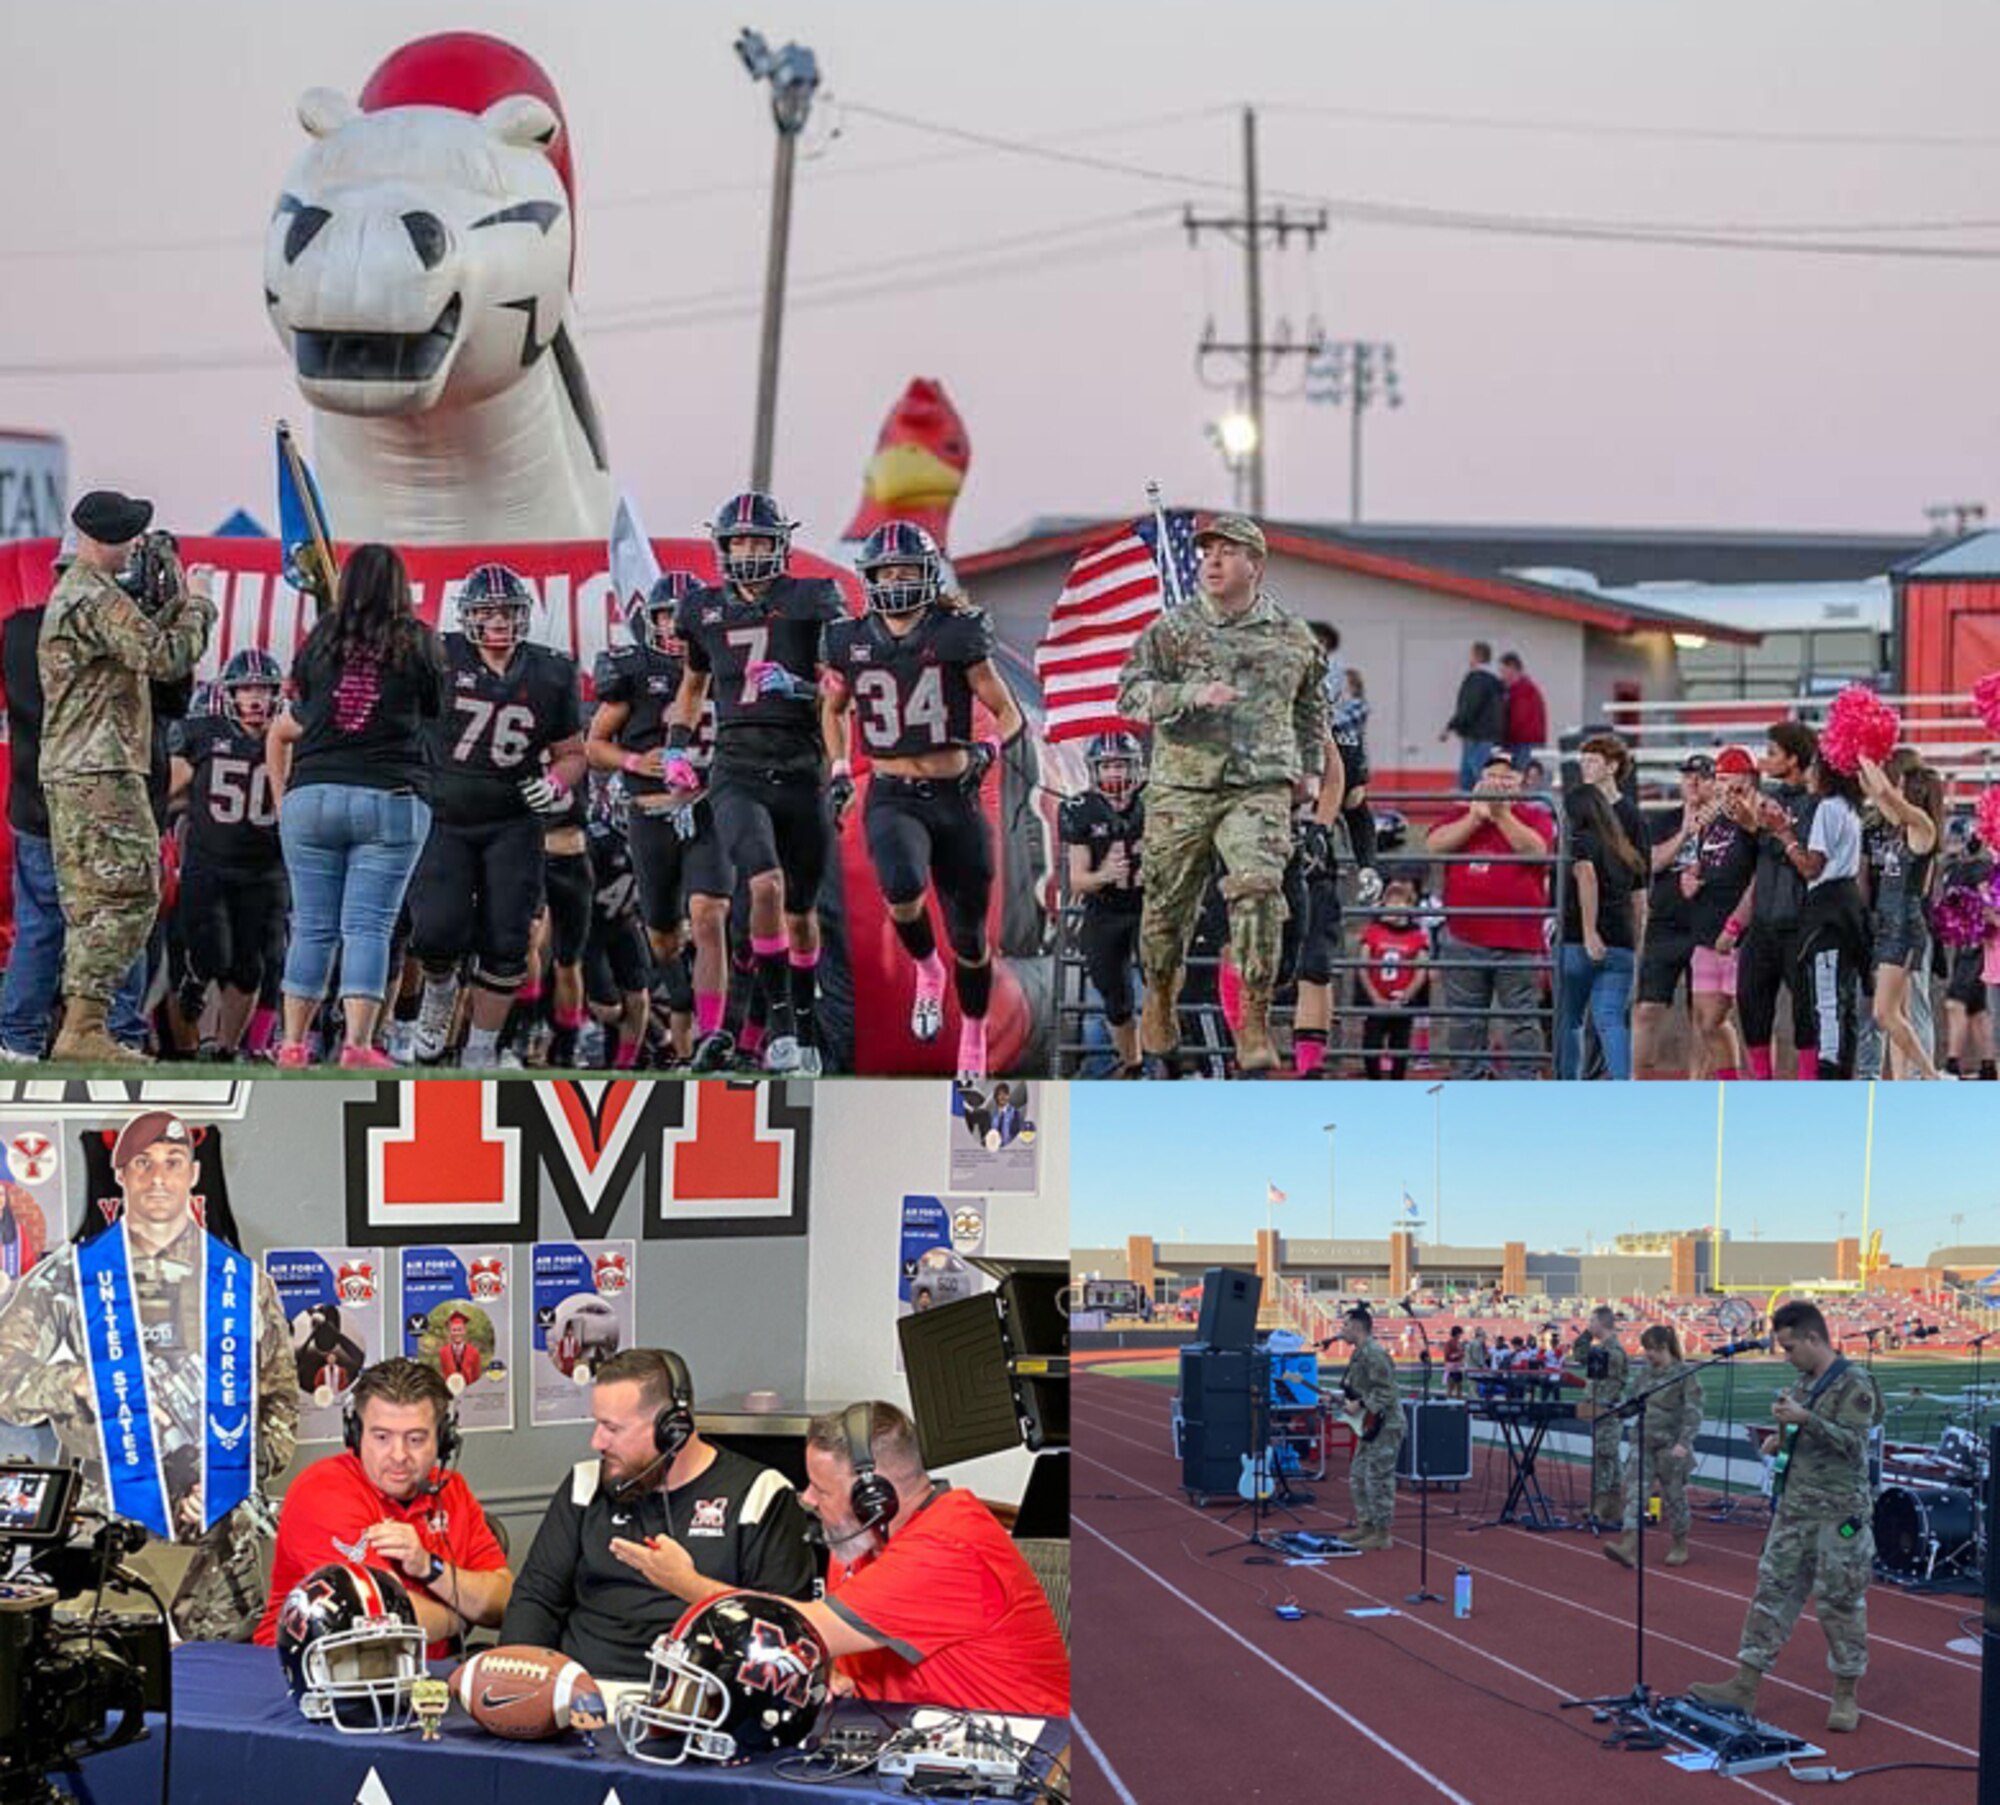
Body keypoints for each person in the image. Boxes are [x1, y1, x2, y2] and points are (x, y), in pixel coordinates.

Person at [0, 1110, 296, 1637]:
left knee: (224, 1698)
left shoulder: (244, 1283)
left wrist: (236, 1472)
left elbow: (278, 1404)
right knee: (107, 1698)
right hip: (108, 1546)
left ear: (193, 1174)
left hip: (220, 1555)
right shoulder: (65, 1278)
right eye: (143, 1164)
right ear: (122, 1176)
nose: (158, 1177)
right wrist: (71, 1380)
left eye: (173, 1162)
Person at [621, 1400, 1068, 1714]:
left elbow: (795, 1632)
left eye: (822, 1489)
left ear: (874, 1497)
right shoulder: (854, 1539)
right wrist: (837, 1673)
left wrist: (685, 1582)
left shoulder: (947, 1548)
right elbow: (835, 1647)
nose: (807, 1498)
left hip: (1025, 1763)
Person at [1116, 513, 1328, 1074]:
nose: (1212, 561)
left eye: (1227, 552)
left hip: (1258, 787)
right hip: (1183, 785)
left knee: (1259, 891)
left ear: (1254, 565)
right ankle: (1159, 998)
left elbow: (1311, 706)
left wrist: (1307, 768)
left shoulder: (1291, 634)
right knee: (1165, 914)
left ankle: (1254, 1022)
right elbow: (1130, 696)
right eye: (1207, 552)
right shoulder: (1172, 629)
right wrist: (1189, 694)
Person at [823, 522, 1028, 1077]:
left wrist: (986, 748)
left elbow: (1009, 712)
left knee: (971, 938)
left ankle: (975, 1035)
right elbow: (833, 707)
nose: (894, 582)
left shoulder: (958, 633)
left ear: (927, 575)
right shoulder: (849, 639)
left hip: (953, 794)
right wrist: (841, 766)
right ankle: (926, 971)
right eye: (885, 573)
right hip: (891, 794)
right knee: (902, 892)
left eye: (905, 572)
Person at [667, 493, 844, 1076]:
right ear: (721, 547)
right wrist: (674, 748)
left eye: (759, 542)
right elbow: (692, 687)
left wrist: (798, 688)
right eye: (738, 542)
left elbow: (844, 689)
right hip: (735, 769)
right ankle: (782, 1027)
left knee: (800, 912)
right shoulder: (702, 609)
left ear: (781, 546)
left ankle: (803, 1019)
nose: (748, 552)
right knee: (762, 885)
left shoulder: (810, 601)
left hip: (799, 769)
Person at [502, 1348, 814, 1679]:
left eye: (612, 1428)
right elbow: (536, 1599)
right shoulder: (586, 1485)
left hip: (700, 1703)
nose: (597, 1441)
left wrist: (687, 1584)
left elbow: (783, 1632)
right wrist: (518, 1682)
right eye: (597, 1424)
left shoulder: (760, 1495)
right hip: (583, 1694)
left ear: (672, 1429)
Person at [37, 491, 216, 1061]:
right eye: (131, 536)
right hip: (102, 769)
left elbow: (138, 648)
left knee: (95, 899)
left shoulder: (86, 596)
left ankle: (83, 1024)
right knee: (133, 889)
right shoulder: (94, 595)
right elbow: (167, 658)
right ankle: (83, 1025)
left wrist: (166, 606)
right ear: (102, 540)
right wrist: (200, 604)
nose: (138, 545)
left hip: (82, 768)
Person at [269, 543, 444, 1068]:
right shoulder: (418, 642)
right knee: (368, 925)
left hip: (311, 792)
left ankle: (294, 1043)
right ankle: (358, 1045)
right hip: (388, 794)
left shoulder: (321, 638)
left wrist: (285, 805)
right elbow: (433, 708)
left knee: (312, 925)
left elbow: (299, 707)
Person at [406, 563, 586, 1071]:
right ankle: (439, 991)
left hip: (513, 821)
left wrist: (555, 783)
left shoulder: (551, 672)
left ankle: (482, 1049)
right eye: (486, 612)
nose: (498, 622)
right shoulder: (439, 656)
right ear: (467, 616)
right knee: (435, 932)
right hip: (445, 817)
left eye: (507, 611)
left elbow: (573, 753)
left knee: (508, 942)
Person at [1689, 1301, 1883, 1733]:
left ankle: (1845, 1694)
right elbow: (1800, 1437)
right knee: (1771, 1595)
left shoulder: (1854, 1383)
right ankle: (1745, 1684)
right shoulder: (1801, 1385)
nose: (1786, 1355)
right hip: (1795, 1513)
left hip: (1840, 1519)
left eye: (1791, 1346)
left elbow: (1854, 1446)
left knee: (1840, 1603)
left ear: (1814, 1338)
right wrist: (1781, 1440)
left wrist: (1807, 1420)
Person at [256, 1358, 512, 1657]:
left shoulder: (451, 1489)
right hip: (314, 1674)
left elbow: (504, 1602)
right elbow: (380, 1617)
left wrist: (429, 1567)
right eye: (381, 1437)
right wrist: (460, 1616)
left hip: (423, 1677)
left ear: (443, 1440)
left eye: (415, 1439)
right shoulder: (323, 1490)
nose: (399, 1455)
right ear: (356, 1434)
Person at [0, 555, 151, 1060]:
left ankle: (17, 1040)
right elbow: (169, 689)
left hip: (32, 801)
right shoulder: (109, 633)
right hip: (97, 803)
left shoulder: (18, 630)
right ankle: (116, 1030)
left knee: (39, 926)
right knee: (117, 916)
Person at [587, 571, 716, 1062]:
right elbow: (594, 744)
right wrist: (635, 761)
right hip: (649, 812)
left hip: (709, 810)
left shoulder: (727, 663)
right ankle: (683, 1014)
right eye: (666, 615)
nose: (676, 624)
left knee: (711, 915)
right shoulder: (635, 669)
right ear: (651, 620)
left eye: (684, 614)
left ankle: (714, 1036)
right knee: (662, 935)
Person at [170, 651, 288, 1059]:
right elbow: (171, 787)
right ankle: (195, 978)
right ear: (229, 695)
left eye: (264, 690)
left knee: (251, 966)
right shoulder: (202, 732)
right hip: (210, 864)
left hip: (266, 870)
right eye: (245, 690)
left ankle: (225, 1049)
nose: (255, 700)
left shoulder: (291, 736)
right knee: (212, 952)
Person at [1428, 752, 1558, 1076]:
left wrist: (1501, 816)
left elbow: (1536, 852)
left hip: (1518, 939)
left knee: (1520, 1021)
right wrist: (1474, 818)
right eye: (1492, 776)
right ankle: (1469, 1082)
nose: (1499, 783)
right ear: (1479, 780)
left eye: (1507, 777)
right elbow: (1434, 845)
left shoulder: (1535, 815)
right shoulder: (1460, 814)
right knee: (1465, 1021)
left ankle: (1522, 1084)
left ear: (1521, 782)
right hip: (1463, 936)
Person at [1634, 750, 1758, 1081]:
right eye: (1687, 775)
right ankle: (1646, 1083)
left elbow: (1749, 846)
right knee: (1672, 1013)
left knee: (1718, 1016)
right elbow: (1653, 863)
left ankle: (1712, 1083)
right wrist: (1687, 845)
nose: (1693, 782)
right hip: (1678, 925)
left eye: (1704, 776)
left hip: (1717, 924)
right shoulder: (1670, 821)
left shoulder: (1732, 818)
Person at [1723, 721, 1821, 1080]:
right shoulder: (1770, 799)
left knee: (1805, 1011)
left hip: (1800, 922)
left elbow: (1808, 858)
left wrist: (1774, 830)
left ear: (1793, 759)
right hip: (1763, 923)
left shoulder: (1817, 803)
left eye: (1773, 754)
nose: (1766, 761)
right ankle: (1762, 1083)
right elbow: (1755, 854)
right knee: (1751, 1002)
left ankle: (1808, 1082)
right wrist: (1747, 824)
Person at [1061, 732, 1147, 1076]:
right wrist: (1105, 874)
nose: (1114, 774)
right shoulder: (1080, 809)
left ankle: (1167, 1061)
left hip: (1150, 906)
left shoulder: (1156, 802)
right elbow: (1077, 880)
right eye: (1107, 766)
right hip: (1106, 907)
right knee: (1115, 998)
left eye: (1121, 765)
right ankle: (1134, 1065)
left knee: (1163, 978)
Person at [1779, 753, 1869, 1079]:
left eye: (1814, 767)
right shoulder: (1851, 808)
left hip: (1828, 908)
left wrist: (1784, 835)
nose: (1809, 774)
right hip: (1846, 905)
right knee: (1842, 998)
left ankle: (1830, 1071)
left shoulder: (1829, 808)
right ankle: (1842, 1069)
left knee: (1828, 998)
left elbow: (1811, 867)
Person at [1858, 750, 1945, 1079]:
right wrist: (1861, 764)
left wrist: (1866, 752)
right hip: (1888, 924)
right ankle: (1909, 1080)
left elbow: (1883, 793)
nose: (1896, 788)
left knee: (1885, 1013)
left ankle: (1929, 1076)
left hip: (1904, 926)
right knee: (1894, 1013)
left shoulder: (1923, 826)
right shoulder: (1901, 826)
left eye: (1902, 784)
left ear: (1914, 791)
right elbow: (1875, 792)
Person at [1556, 778, 1646, 1079]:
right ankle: (1623, 1084)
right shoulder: (1625, 850)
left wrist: (1589, 931)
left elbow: (1586, 874)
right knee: (1611, 1020)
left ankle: (1568, 1085)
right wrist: (1637, 944)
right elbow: (1639, 902)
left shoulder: (1577, 842)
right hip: (1621, 945)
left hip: (1579, 944)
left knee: (1569, 1021)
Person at [1603, 1325, 1704, 1569]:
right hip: (1643, 1442)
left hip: (1670, 1446)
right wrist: (1616, 1411)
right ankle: (1629, 1545)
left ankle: (1680, 1543)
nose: (1647, 1354)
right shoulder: (1645, 1376)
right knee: (1635, 1493)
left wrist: (1684, 1443)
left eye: (1651, 1349)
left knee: (1674, 1497)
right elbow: (1634, 1403)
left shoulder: (1684, 1375)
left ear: (1663, 1347)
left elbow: (1694, 1412)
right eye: (1646, 1349)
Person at [1311, 625, 1380, 900]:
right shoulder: (1255, 734)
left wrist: (1367, 866)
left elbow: (1356, 808)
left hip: (1311, 854)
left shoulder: (1341, 739)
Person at [1335, 1305, 1402, 1548]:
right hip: (1370, 1424)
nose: (1342, 1330)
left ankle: (1382, 1533)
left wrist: (1361, 1403)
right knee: (1358, 1476)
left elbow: (1387, 1391)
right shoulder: (1360, 1353)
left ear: (1356, 1327)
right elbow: (1362, 1389)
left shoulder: (1374, 1353)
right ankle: (1367, 1525)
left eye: (1345, 1325)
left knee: (1378, 1478)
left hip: (1385, 1424)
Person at [1355, 873, 1429, 1078]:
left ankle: (1397, 1083)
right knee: (1371, 1044)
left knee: (1400, 1047)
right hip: (1377, 1000)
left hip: (1401, 1001)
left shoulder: (1416, 936)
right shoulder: (1374, 931)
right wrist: (1374, 996)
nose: (1394, 908)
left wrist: (1407, 994)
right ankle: (1375, 1081)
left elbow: (1421, 969)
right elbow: (1362, 964)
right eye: (1390, 902)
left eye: (1400, 903)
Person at [1563, 1307, 1629, 1529]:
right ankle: (1612, 1505)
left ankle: (1601, 1505)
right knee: (1609, 1457)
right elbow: (1581, 1355)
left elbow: (1581, 1354)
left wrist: (1585, 1335)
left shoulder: (1612, 1352)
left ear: (1601, 1323)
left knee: (1604, 1457)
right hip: (1600, 1410)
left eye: (1592, 1321)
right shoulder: (1604, 1349)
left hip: (1606, 1411)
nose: (1589, 1325)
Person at [1439, 641, 1508, 793]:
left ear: (1477, 656)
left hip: (1476, 738)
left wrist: (1450, 727)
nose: (1469, 659)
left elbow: (1469, 707)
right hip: (1489, 737)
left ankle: (1476, 813)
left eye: (1471, 655)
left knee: (1473, 781)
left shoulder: (1476, 679)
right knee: (1481, 780)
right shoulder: (1495, 682)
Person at [1498, 652, 1548, 772]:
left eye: (1503, 671)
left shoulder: (1522, 690)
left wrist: (1502, 738)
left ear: (1512, 668)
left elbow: (1518, 719)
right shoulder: (1523, 689)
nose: (1501, 675)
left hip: (1524, 744)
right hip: (1524, 742)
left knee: (1523, 781)